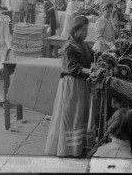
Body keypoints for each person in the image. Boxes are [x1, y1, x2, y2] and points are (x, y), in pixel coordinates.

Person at [45, 16, 95, 158]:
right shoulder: (69, 47)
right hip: (72, 83)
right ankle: (69, 149)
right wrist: (89, 71)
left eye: (86, 30)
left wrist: (107, 54)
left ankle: (79, 146)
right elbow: (72, 67)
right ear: (74, 30)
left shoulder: (83, 45)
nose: (85, 33)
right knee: (72, 115)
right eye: (82, 30)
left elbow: (91, 56)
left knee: (80, 113)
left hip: (80, 84)